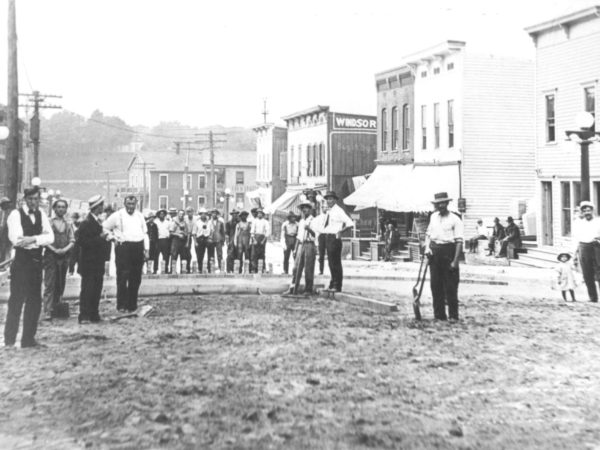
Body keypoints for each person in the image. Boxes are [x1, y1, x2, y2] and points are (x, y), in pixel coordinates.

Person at [3, 186, 54, 347]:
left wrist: (33, 239)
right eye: (31, 199)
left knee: (34, 301)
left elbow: (50, 237)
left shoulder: (42, 214)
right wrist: (39, 239)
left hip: (37, 262)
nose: (33, 202)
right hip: (21, 262)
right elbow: (17, 240)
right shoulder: (15, 214)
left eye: (36, 199)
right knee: (16, 300)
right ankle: (10, 339)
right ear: (25, 199)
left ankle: (28, 339)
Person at [103, 196, 149, 313]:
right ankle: (122, 305)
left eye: (133, 204)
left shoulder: (139, 216)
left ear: (136, 204)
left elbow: (145, 234)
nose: (131, 207)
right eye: (128, 204)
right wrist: (112, 238)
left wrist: (147, 250)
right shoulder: (117, 215)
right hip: (124, 247)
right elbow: (104, 228)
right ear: (124, 204)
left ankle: (132, 304)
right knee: (123, 277)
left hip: (138, 247)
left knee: (136, 277)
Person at [424, 192, 464, 321]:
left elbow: (459, 241)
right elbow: (428, 235)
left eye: (443, 203)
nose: (440, 205)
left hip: (449, 252)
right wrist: (427, 248)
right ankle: (439, 315)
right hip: (435, 254)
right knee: (435, 285)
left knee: (450, 286)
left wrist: (456, 261)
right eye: (438, 203)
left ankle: (453, 315)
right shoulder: (433, 217)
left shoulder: (455, 219)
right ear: (435, 205)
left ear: (447, 203)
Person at [77, 195, 110, 324]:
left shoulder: (96, 221)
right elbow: (83, 242)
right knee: (88, 289)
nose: (103, 207)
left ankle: (93, 314)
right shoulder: (86, 223)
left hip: (97, 262)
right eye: (101, 205)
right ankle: (84, 315)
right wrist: (100, 238)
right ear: (96, 207)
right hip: (88, 263)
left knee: (96, 288)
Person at [42, 199, 75, 320]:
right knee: (50, 283)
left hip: (64, 256)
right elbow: (44, 240)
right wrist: (54, 250)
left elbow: (72, 240)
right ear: (54, 209)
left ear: (66, 209)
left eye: (63, 207)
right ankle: (47, 310)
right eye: (59, 207)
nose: (61, 209)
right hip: (51, 256)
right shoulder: (48, 223)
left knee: (61, 283)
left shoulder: (68, 224)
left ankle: (57, 307)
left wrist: (65, 250)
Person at [321, 191, 354, 292]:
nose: (329, 201)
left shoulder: (339, 210)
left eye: (331, 199)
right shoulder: (330, 211)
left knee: (335, 263)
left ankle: (337, 285)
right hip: (328, 237)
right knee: (331, 263)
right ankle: (332, 283)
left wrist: (341, 232)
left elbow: (350, 223)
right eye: (327, 199)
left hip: (335, 238)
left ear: (335, 200)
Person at [573, 200, 600, 302]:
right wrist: (575, 253)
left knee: (599, 272)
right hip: (584, 247)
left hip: (596, 247)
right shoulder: (578, 223)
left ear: (592, 211)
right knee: (587, 274)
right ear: (582, 212)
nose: (587, 212)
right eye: (585, 211)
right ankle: (593, 297)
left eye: (589, 210)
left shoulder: (598, 221)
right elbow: (575, 238)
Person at [289, 202, 317, 294]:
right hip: (300, 244)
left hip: (309, 244)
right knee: (296, 268)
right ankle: (293, 288)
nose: (304, 210)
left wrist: (309, 229)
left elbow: (316, 235)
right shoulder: (301, 221)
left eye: (306, 208)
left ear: (310, 209)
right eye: (303, 208)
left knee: (308, 268)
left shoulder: (314, 220)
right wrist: (296, 249)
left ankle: (308, 289)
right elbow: (299, 236)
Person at [250, 208, 270, 273]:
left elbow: (267, 232)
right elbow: (252, 231)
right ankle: (254, 268)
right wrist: (254, 239)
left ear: (263, 214)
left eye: (261, 213)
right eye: (258, 213)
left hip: (262, 237)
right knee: (254, 254)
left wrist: (263, 240)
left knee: (262, 253)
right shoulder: (254, 221)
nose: (259, 214)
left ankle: (262, 268)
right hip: (256, 237)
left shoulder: (265, 222)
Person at [193, 208, 212, 273]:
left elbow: (211, 231)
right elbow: (194, 233)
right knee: (200, 255)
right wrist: (195, 242)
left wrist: (210, 238)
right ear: (200, 215)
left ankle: (210, 268)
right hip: (200, 239)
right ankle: (200, 268)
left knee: (210, 254)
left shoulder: (209, 222)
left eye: (205, 214)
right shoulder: (197, 223)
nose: (203, 215)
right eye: (202, 214)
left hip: (207, 238)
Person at [154, 209, 171, 273]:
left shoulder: (168, 222)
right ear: (158, 215)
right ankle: (155, 269)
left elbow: (170, 231)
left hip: (165, 240)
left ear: (165, 215)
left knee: (166, 255)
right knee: (156, 255)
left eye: (163, 214)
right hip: (158, 240)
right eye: (160, 214)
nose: (162, 215)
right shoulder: (156, 222)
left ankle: (165, 269)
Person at [315, 204, 329, 275]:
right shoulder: (318, 218)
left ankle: (331, 271)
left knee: (330, 254)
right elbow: (316, 228)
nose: (326, 209)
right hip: (321, 236)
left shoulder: (330, 217)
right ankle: (321, 270)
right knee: (321, 255)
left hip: (328, 236)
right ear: (322, 208)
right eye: (324, 207)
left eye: (327, 207)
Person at [182, 207, 196, 273]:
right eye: (188, 212)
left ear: (193, 212)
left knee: (188, 252)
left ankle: (188, 267)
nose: (189, 213)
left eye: (191, 212)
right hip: (184, 236)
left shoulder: (195, 219)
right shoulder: (184, 218)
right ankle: (183, 268)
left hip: (190, 236)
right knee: (183, 252)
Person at [0, 196, 13, 263]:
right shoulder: (1, 212)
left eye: (7, 203)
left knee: (6, 250)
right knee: (2, 249)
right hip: (1, 234)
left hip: (7, 235)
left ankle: (5, 263)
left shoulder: (11, 213)